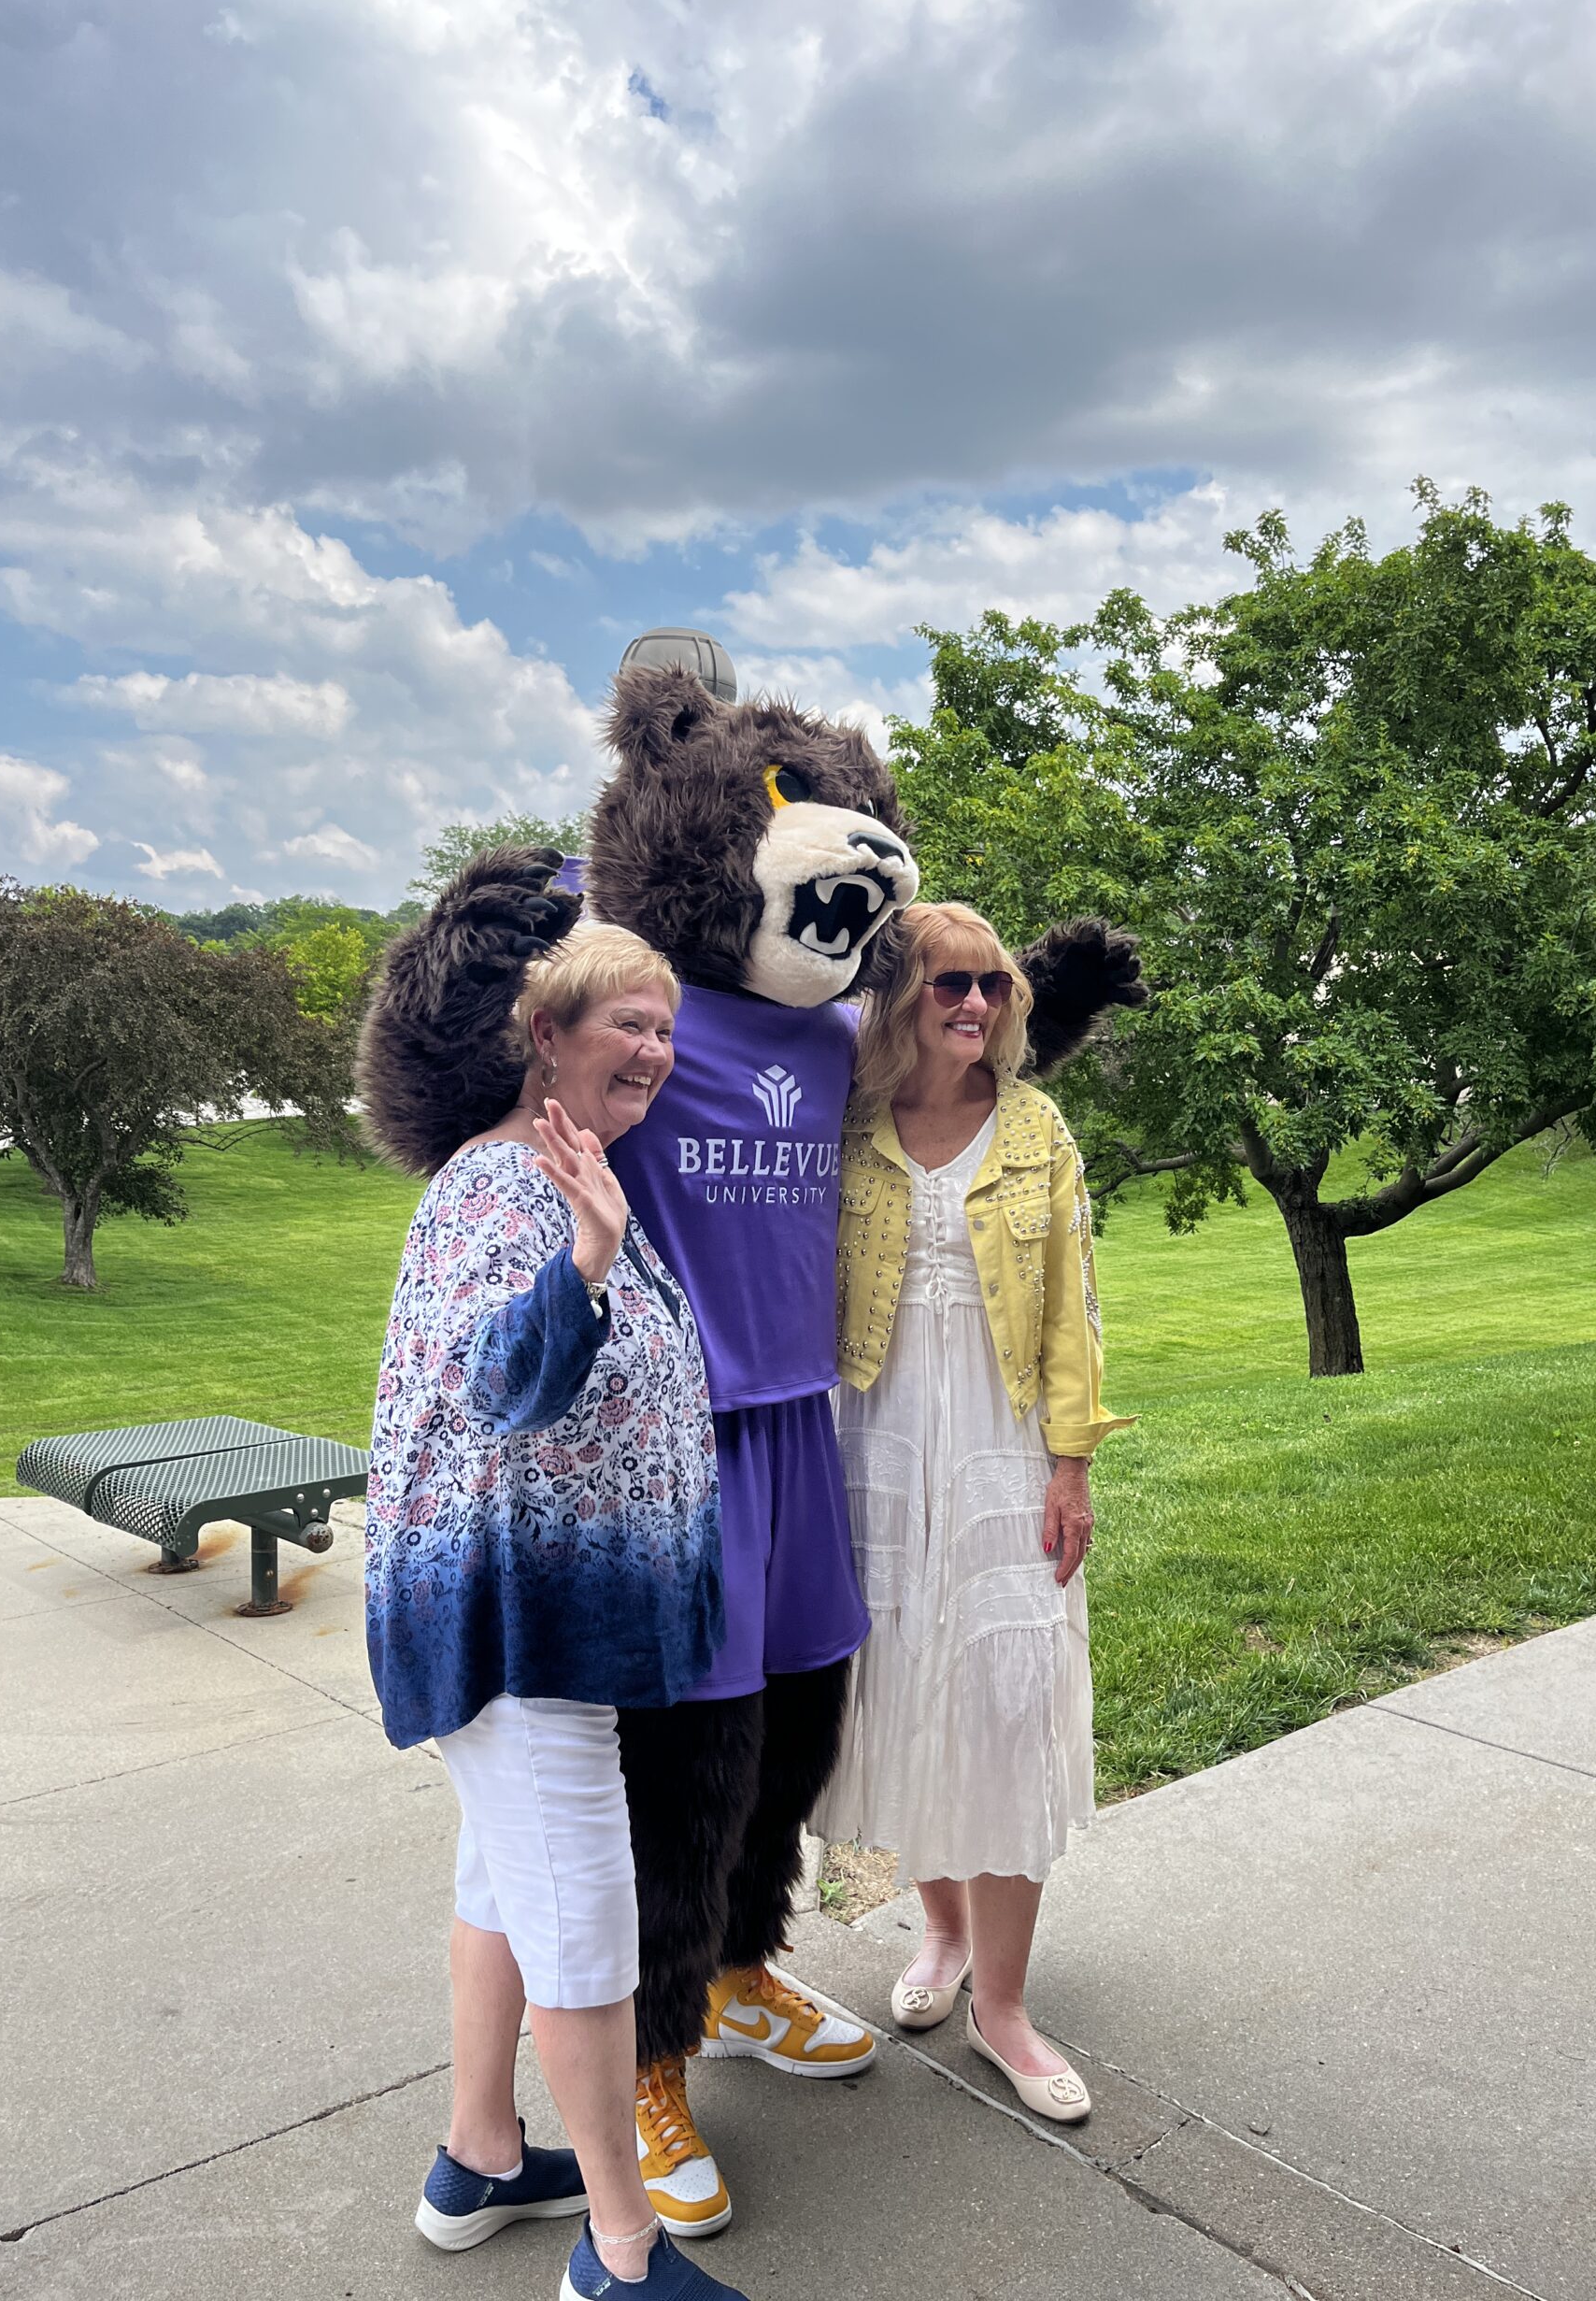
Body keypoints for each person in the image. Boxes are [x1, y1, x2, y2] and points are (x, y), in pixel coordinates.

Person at [363, 922, 746, 2300]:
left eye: (666, 1029)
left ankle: (476, 2158)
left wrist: (598, 1237)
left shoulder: (568, 1174)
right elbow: (497, 1388)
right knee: (586, 1925)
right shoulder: (500, 1191)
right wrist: (585, 1259)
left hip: (548, 1620)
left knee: (499, 1883)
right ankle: (621, 2254)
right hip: (511, 1619)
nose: (656, 1049)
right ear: (546, 1035)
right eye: (627, 1024)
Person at [819, 901, 1133, 2123]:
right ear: (901, 999)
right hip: (874, 1447)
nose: (976, 1005)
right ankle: (941, 1939)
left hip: (1003, 1449)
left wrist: (1071, 1466)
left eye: (993, 985)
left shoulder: (1037, 1131)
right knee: (907, 1694)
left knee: (1004, 1705)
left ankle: (1002, 2007)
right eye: (949, 985)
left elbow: (1075, 1311)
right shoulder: (851, 1125)